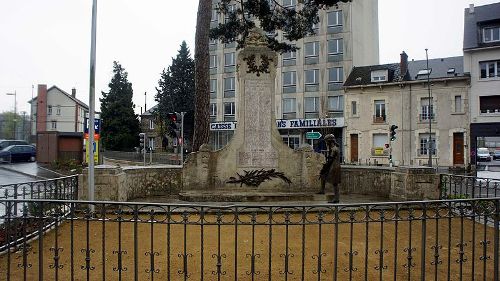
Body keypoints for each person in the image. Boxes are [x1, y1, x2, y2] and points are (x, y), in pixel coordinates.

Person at [318, 134, 341, 203]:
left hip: (334, 167)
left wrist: (324, 168)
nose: (326, 143)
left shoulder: (334, 149)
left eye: (326, 141)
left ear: (330, 141)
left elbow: (330, 160)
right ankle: (322, 190)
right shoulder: (333, 148)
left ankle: (336, 198)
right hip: (333, 166)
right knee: (323, 175)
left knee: (335, 183)